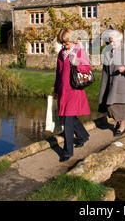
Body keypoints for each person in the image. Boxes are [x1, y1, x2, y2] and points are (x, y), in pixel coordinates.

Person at [53, 28, 91, 162]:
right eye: (62, 43)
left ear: (73, 40)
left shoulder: (80, 52)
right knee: (68, 116)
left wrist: (77, 63)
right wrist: (56, 89)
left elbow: (87, 68)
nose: (64, 45)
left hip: (74, 90)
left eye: (66, 42)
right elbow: (58, 73)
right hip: (64, 91)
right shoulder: (61, 53)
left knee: (67, 120)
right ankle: (83, 136)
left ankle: (68, 151)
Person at [98, 29, 125, 136]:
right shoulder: (107, 51)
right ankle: (119, 122)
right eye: (110, 41)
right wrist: (104, 85)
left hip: (122, 84)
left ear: (120, 40)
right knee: (110, 105)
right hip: (109, 83)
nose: (111, 43)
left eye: (113, 41)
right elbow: (105, 69)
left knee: (120, 106)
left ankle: (122, 126)